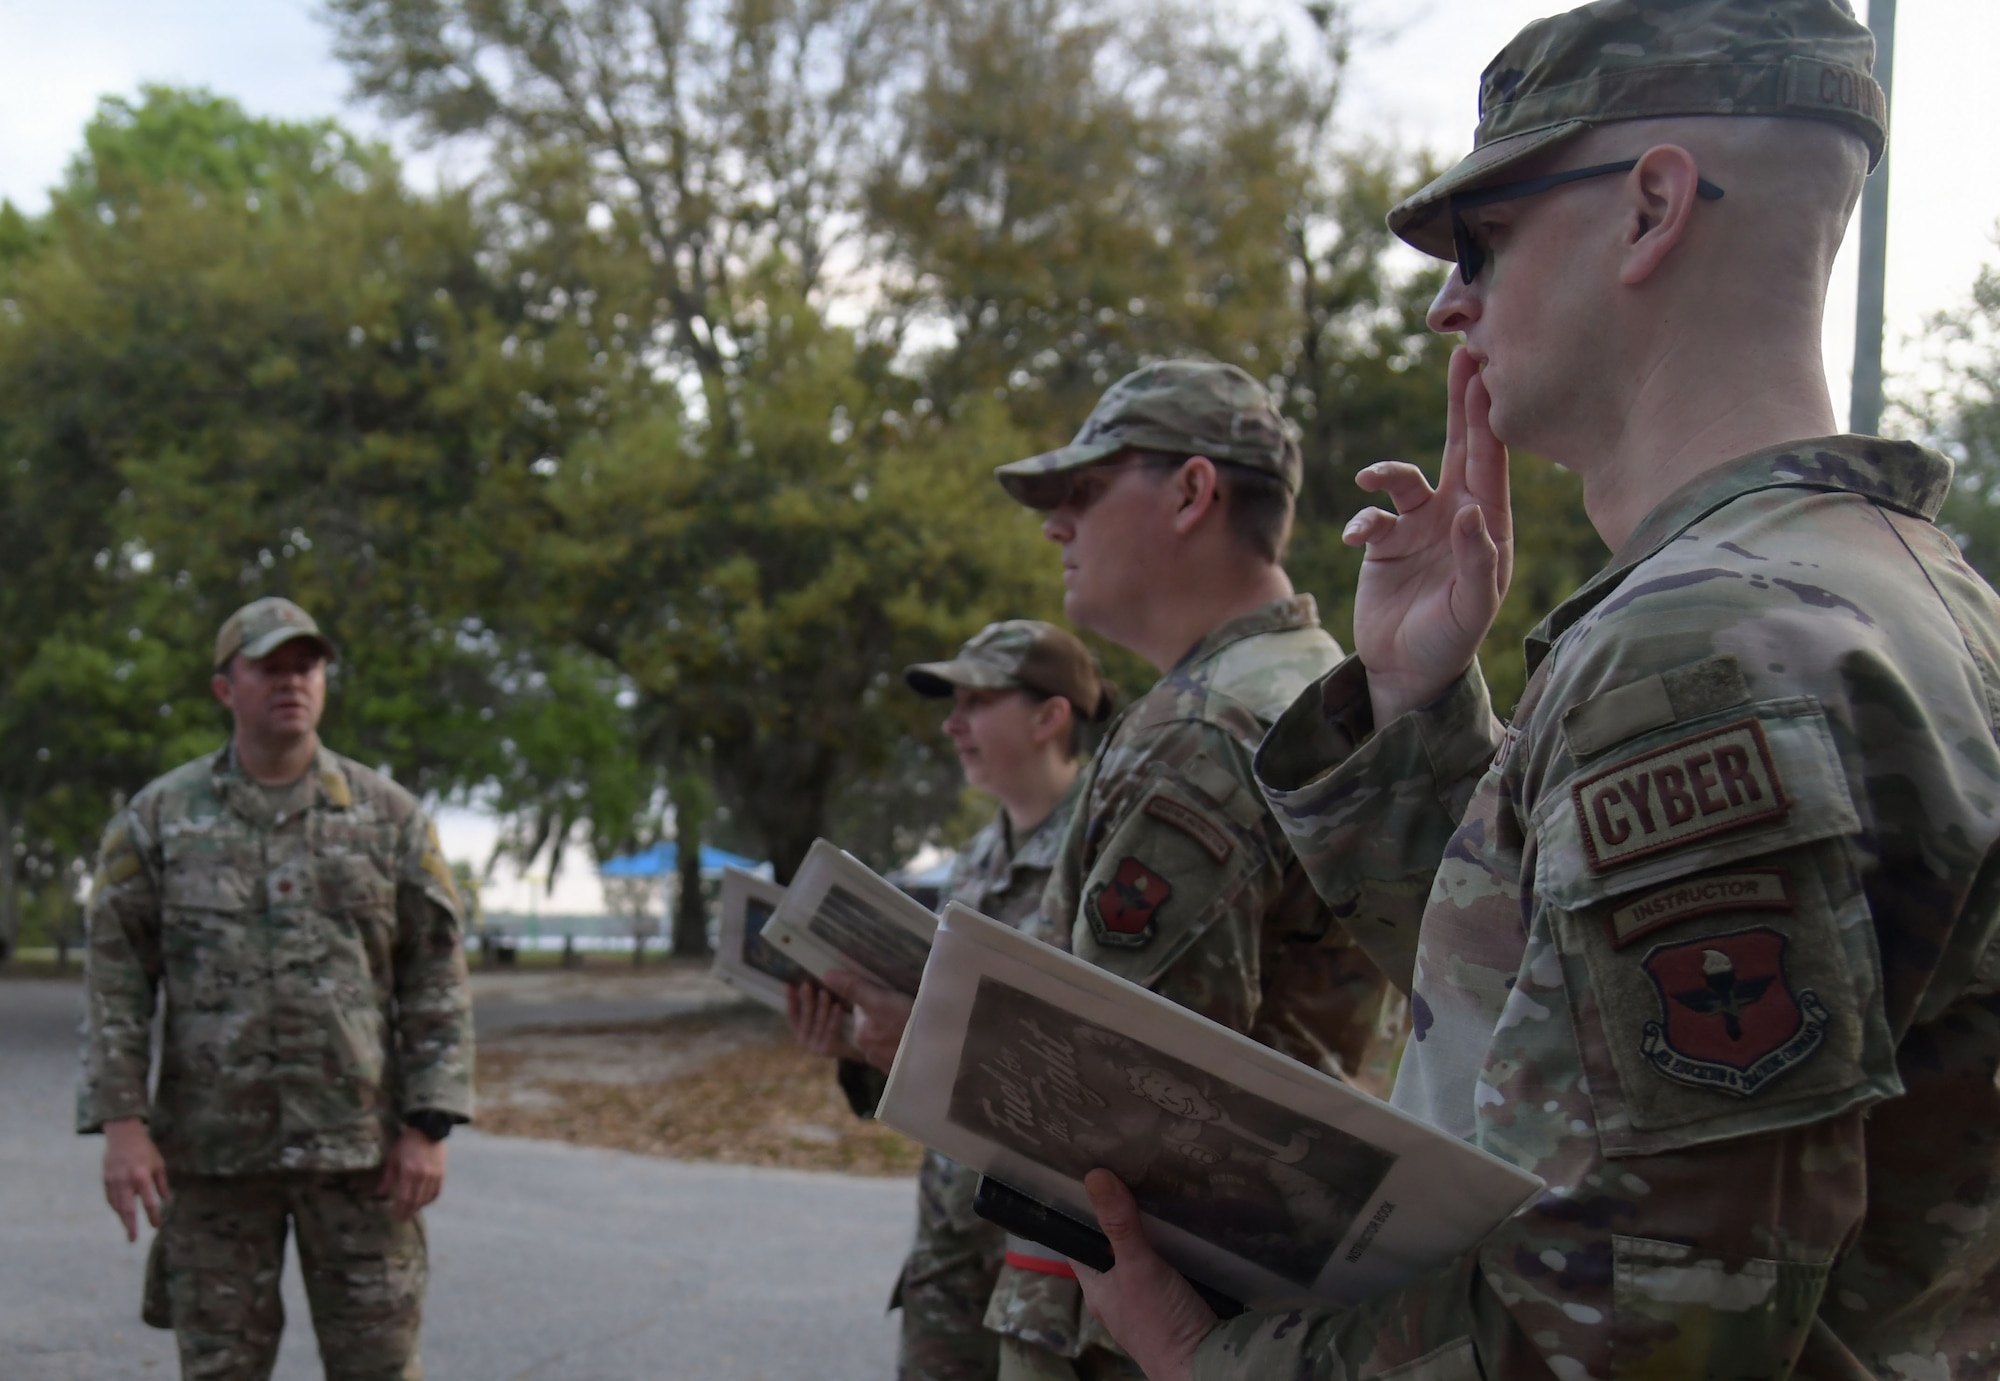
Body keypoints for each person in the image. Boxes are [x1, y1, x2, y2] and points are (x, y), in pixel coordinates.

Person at [1069, 3, 2000, 1378]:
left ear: (1652, 210)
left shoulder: (1703, 651)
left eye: (1482, 242)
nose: (1452, 302)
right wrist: (1411, 707)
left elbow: (1625, 1336)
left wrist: (1209, 1355)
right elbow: (1581, 1037)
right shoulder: (1917, 596)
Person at [833, 361, 1405, 1380]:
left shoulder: (1195, 732)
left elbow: (1112, 1103)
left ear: (1190, 493)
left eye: (1084, 492)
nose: (1056, 524)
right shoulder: (1328, 685)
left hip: (1124, 1318)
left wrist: (902, 1034)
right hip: (1259, 1294)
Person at [78, 597, 474, 1381]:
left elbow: (435, 973)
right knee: (220, 1370)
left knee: (380, 1367)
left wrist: (430, 1123)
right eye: (270, 666)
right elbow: (116, 982)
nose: (292, 681)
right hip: (213, 1156)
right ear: (226, 687)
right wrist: (124, 1125)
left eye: (307, 665)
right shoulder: (158, 820)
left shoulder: (389, 817)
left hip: (361, 1157)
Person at [789, 619, 1113, 1381]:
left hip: (1056, 1266)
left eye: (976, 701)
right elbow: (933, 1057)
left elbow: (1095, 1073)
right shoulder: (972, 865)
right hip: (950, 1249)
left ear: (1049, 716)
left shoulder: (1107, 852)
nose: (952, 723)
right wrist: (858, 1043)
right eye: (953, 703)